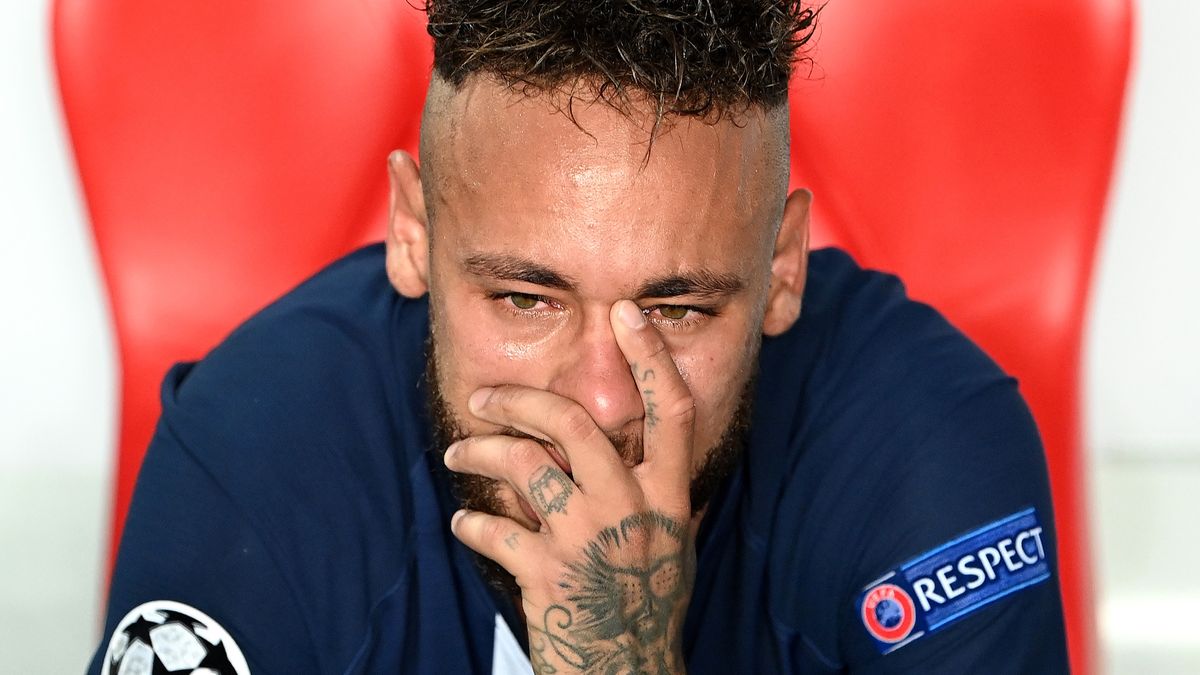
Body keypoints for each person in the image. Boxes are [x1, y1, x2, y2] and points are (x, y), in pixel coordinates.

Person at [88, 1, 1069, 673]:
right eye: (526, 298)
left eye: (679, 312)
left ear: (781, 269)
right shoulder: (252, 461)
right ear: (415, 234)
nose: (602, 400)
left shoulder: (933, 459)